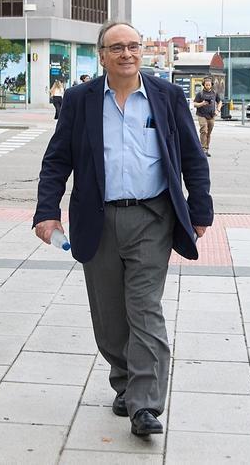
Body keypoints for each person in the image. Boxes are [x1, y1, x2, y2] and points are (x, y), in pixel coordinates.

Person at [33, 21, 213, 439]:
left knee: (145, 308)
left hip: (153, 217)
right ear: (102, 55)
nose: (127, 54)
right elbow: (57, 161)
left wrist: (200, 209)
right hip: (97, 217)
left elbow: (192, 157)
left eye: (133, 46)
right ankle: (126, 378)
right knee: (110, 316)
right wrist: (47, 212)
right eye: (117, 47)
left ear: (142, 52)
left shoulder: (167, 97)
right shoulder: (80, 100)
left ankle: (145, 405)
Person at [192, 77, 220, 156]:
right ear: (204, 85)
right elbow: (194, 104)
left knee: (209, 133)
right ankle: (202, 149)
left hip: (211, 115)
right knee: (204, 131)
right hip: (202, 115)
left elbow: (220, 102)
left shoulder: (214, 93)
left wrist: (218, 110)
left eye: (209, 85)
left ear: (211, 85)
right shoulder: (200, 94)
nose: (208, 86)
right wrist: (202, 104)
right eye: (206, 85)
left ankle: (206, 149)